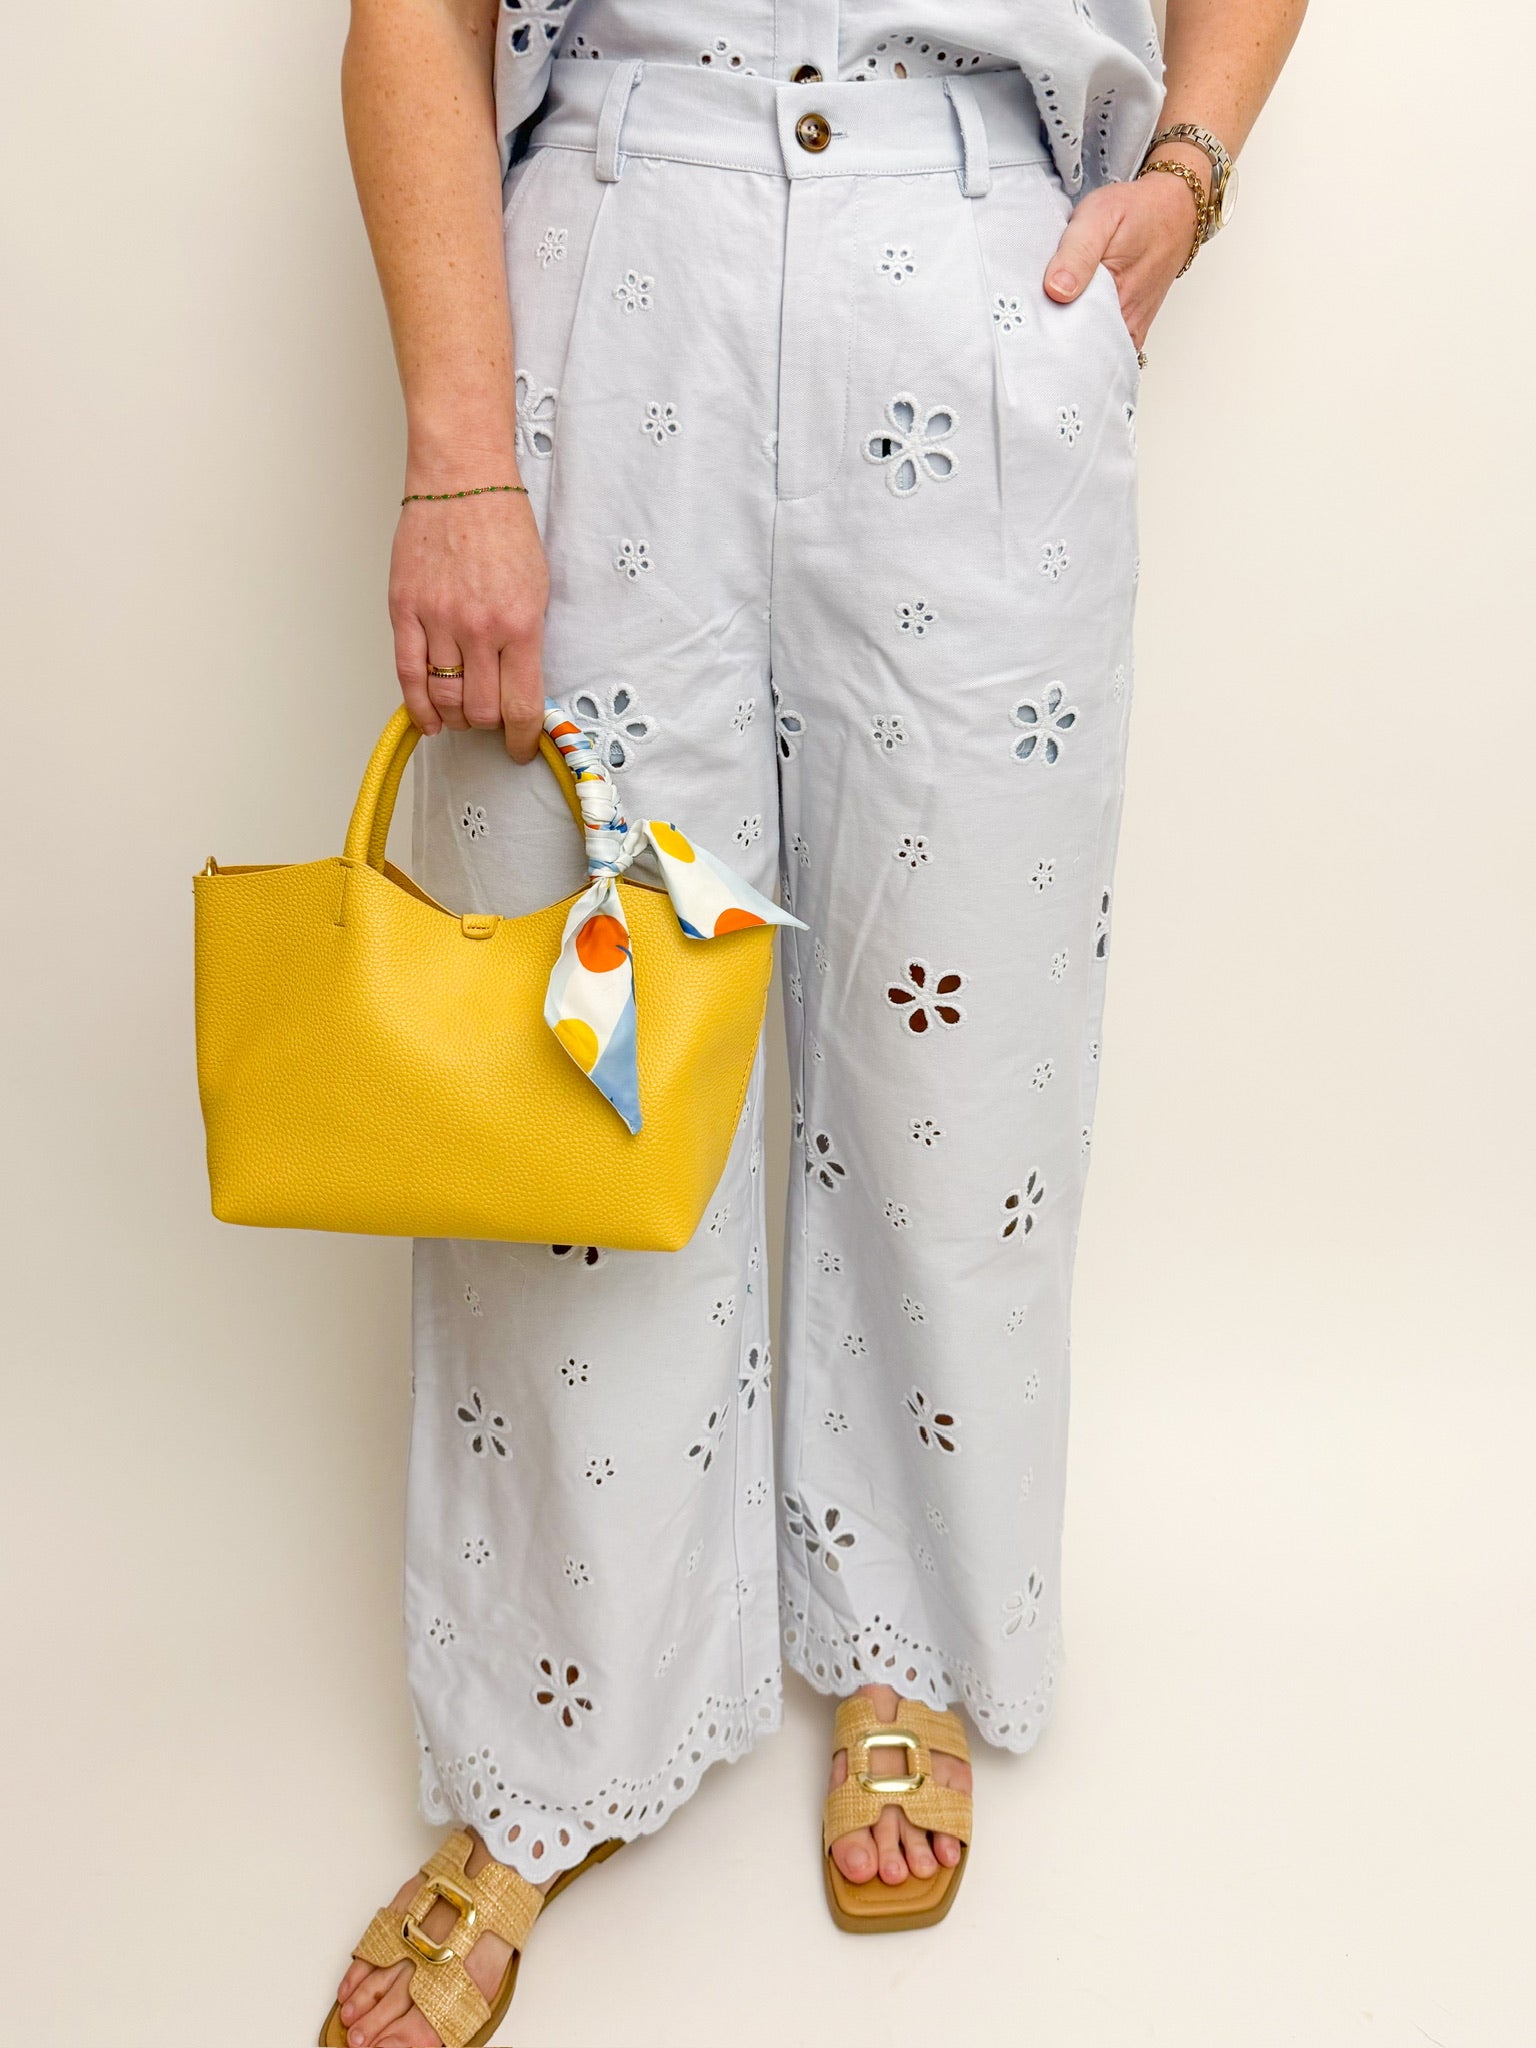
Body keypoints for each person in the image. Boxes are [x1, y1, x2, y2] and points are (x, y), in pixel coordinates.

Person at [324, 3, 1306, 2042]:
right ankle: (555, 1727)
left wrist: (1191, 172)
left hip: (975, 267)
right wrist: (458, 457)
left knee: (964, 1041)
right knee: (579, 1062)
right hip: (618, 266)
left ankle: (904, 1640)